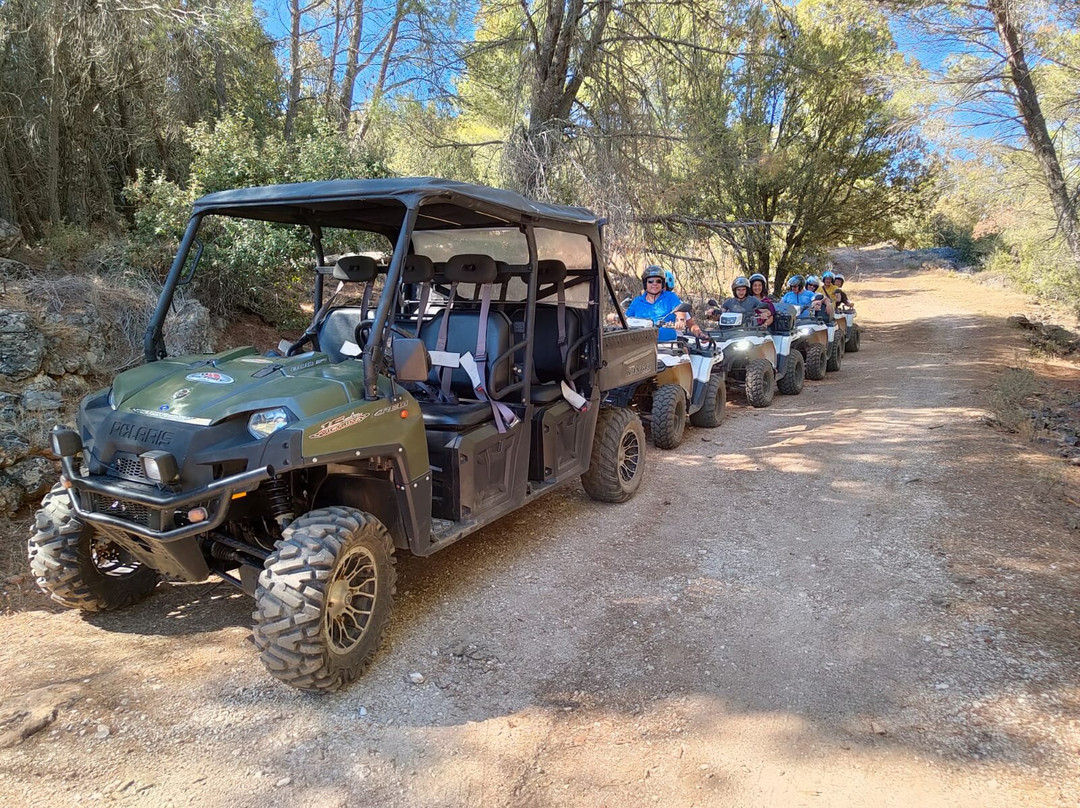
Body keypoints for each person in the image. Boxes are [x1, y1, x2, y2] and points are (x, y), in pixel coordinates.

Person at [625, 265, 703, 337]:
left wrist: (680, 321)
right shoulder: (637, 301)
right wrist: (616, 320)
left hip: (666, 345)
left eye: (658, 281)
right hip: (643, 345)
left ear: (662, 284)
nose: (654, 284)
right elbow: (626, 319)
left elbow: (680, 311)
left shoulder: (670, 297)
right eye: (651, 281)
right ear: (645, 283)